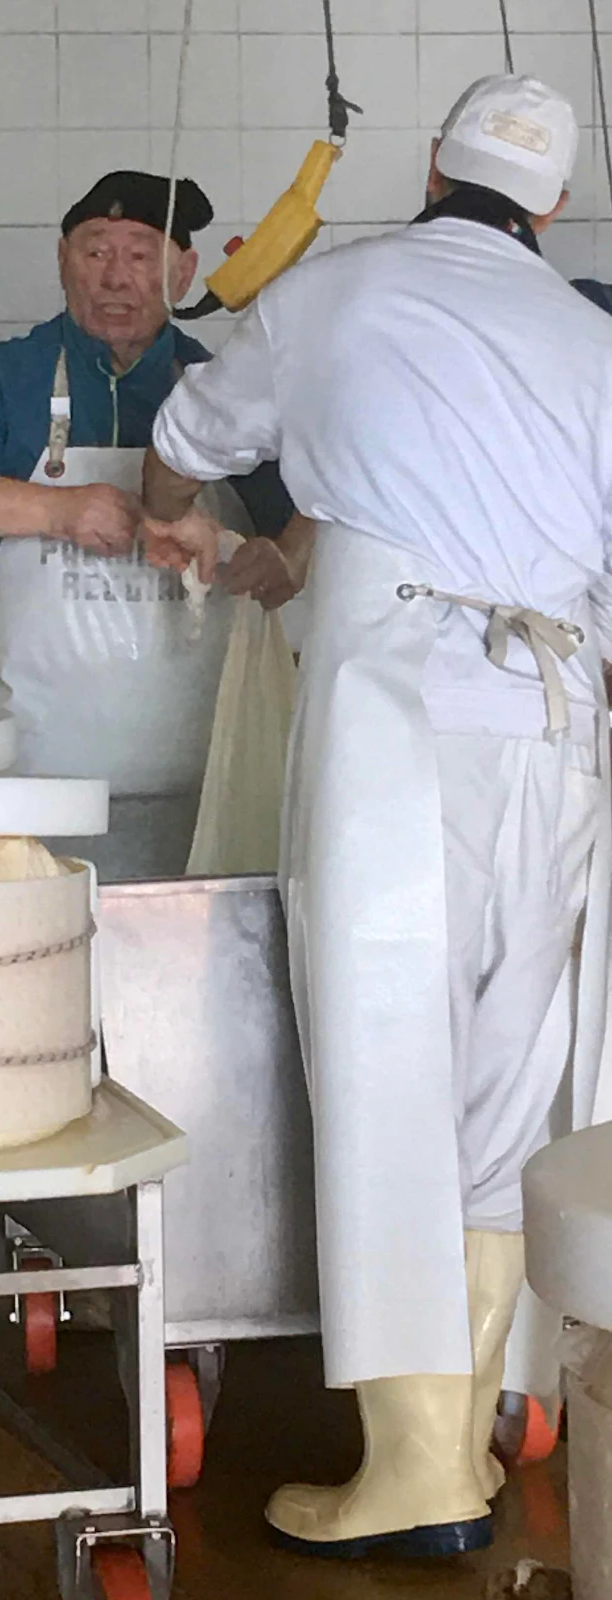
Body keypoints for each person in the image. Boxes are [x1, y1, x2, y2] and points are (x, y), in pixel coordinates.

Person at [139, 75, 612, 1559]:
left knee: (384, 1063)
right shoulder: (594, 342)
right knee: (510, 1088)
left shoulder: (328, 293)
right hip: (554, 731)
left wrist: (188, 527)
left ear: (429, 169)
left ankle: (412, 1472)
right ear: (548, 205)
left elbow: (182, 446)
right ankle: (464, 1435)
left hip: (395, 725)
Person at [0, 170, 294, 876]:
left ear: (184, 271)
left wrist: (254, 557)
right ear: (63, 260)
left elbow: (301, 541)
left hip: (201, 794)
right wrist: (57, 510)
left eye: (141, 254)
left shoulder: (217, 391)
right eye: (96, 251)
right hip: (28, 791)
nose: (115, 277)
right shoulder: (9, 379)